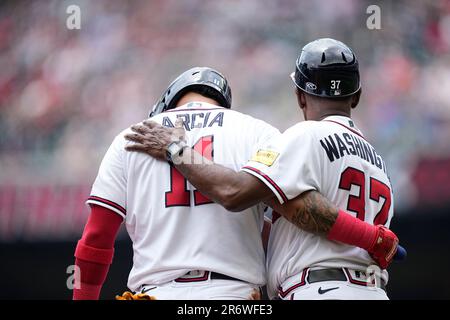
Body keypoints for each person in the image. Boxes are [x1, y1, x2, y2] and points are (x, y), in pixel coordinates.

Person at [125, 39, 400, 300]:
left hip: (318, 289)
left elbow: (233, 192)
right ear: (357, 96)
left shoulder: (304, 136)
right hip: (373, 290)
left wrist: (177, 150)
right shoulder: (377, 162)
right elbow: (288, 211)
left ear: (300, 96)